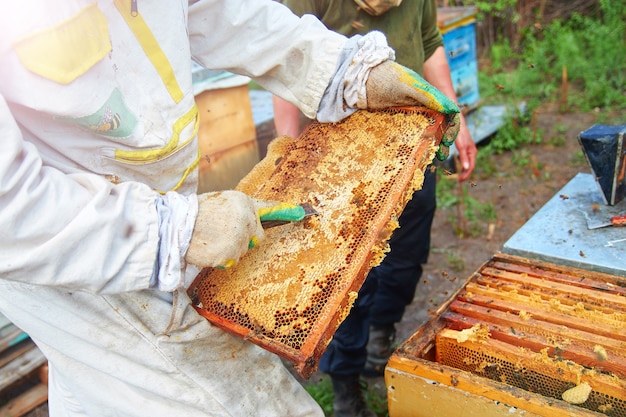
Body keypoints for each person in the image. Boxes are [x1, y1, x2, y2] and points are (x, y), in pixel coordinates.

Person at [0, 1, 461, 416]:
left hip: (160, 219)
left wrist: (346, 70)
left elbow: (224, 12)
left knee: (94, 393)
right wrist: (173, 232)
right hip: (67, 254)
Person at [273, 1, 477, 415]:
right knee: (349, 280)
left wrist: (460, 119)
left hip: (414, 140)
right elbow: (284, 58)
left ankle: (380, 335)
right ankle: (345, 381)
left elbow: (430, 43)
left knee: (407, 256)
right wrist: (289, 153)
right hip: (342, 154)